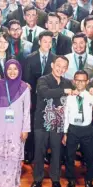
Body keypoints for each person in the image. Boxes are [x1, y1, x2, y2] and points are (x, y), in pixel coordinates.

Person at [30, 56, 72, 187]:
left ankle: (55, 179)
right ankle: (37, 179)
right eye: (58, 65)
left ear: (67, 69)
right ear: (52, 65)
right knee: (39, 153)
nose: (60, 69)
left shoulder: (67, 82)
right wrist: (64, 91)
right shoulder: (43, 79)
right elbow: (45, 92)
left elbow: (78, 91)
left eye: (64, 67)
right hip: (41, 123)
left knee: (57, 153)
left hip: (58, 124)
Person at [0, 59, 30, 187]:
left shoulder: (24, 88)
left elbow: (26, 110)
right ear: (5, 70)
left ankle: (11, 183)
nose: (12, 72)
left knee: (13, 154)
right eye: (9, 69)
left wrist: (25, 129)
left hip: (16, 126)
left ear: (19, 70)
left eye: (15, 69)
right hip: (0, 125)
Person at [62, 70, 93, 187]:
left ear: (87, 82)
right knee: (69, 156)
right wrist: (65, 132)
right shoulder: (70, 97)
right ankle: (71, 181)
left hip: (87, 129)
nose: (80, 83)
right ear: (73, 81)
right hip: (73, 129)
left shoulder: (89, 95)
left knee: (89, 156)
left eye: (83, 80)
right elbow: (66, 115)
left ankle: (89, 180)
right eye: (77, 80)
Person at [22, 31, 56, 164]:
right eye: (45, 41)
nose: (47, 44)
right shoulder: (30, 58)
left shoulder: (55, 58)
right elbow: (26, 79)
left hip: (49, 98)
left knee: (47, 125)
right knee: (31, 125)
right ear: (39, 42)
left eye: (49, 42)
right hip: (33, 98)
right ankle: (29, 153)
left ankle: (45, 153)